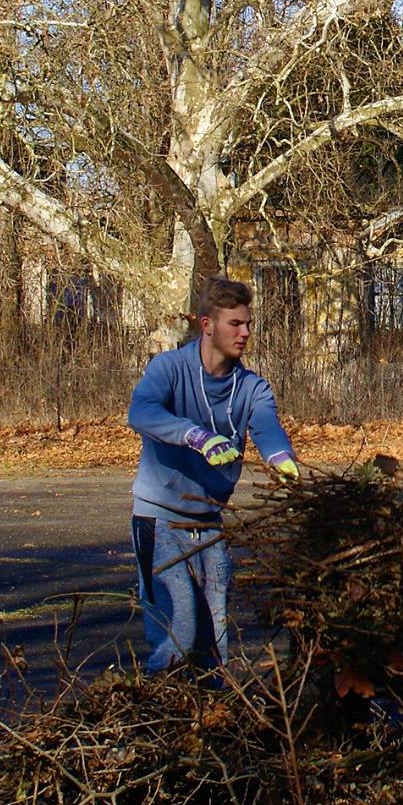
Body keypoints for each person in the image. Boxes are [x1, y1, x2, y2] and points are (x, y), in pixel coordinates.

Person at [128, 275, 300, 674]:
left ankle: (212, 706)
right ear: (207, 325)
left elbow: (267, 428)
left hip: (209, 521)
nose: (245, 333)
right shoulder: (169, 368)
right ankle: (162, 701)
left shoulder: (252, 387)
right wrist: (194, 435)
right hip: (159, 517)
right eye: (234, 324)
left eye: (248, 324)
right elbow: (142, 413)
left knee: (216, 635)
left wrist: (282, 460)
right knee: (179, 629)